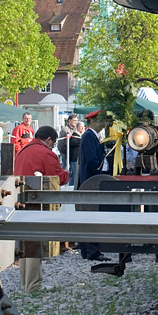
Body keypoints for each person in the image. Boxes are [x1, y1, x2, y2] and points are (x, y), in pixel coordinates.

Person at [14, 126, 67, 292]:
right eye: (53, 142)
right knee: (34, 244)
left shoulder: (23, 150)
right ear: (49, 139)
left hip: (20, 199)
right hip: (37, 202)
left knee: (24, 244)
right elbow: (59, 177)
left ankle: (25, 282)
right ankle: (33, 285)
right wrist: (67, 173)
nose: (53, 146)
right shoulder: (45, 153)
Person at [76, 110, 110, 261]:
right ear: (93, 122)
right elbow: (92, 160)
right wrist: (101, 170)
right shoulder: (89, 136)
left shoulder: (91, 136)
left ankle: (88, 250)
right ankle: (92, 251)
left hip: (90, 178)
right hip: (91, 180)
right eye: (101, 121)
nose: (103, 124)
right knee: (91, 215)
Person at [58, 114, 81, 186]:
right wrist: (62, 152)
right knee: (65, 168)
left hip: (73, 153)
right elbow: (60, 142)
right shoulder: (65, 129)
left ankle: (71, 185)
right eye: (74, 120)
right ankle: (63, 184)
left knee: (73, 170)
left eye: (76, 121)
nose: (75, 122)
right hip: (65, 152)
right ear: (69, 121)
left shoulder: (76, 129)